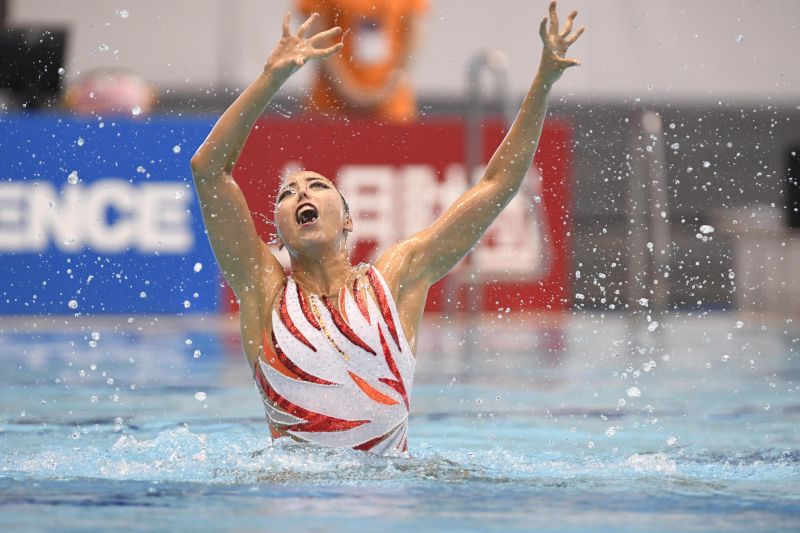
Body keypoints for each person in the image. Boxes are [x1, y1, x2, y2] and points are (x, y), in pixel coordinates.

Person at [190, 2, 584, 455]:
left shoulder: (395, 280)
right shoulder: (263, 292)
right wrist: (271, 78)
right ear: (276, 234)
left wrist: (544, 81)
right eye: (286, 194)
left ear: (348, 219)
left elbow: (498, 183)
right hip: (289, 491)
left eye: (317, 186)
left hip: (389, 489)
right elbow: (208, 170)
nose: (300, 194)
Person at [296, 0, 428, 123]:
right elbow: (317, 37)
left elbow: (413, 35)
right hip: (331, 103)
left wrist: (390, 87)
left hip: (392, 106)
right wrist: (347, 90)